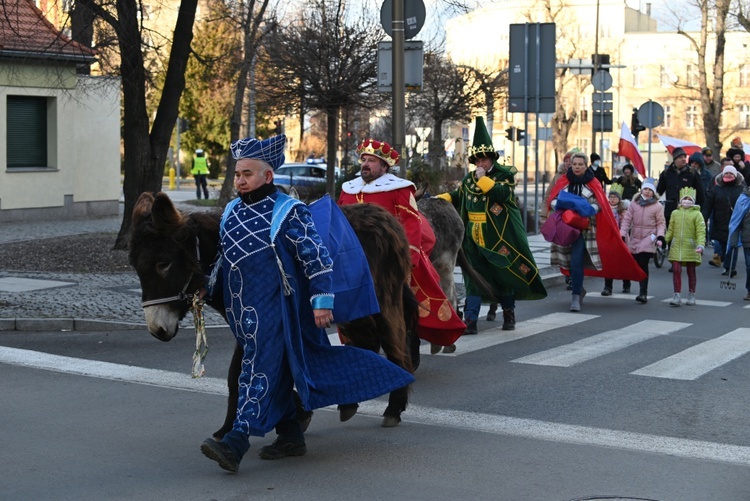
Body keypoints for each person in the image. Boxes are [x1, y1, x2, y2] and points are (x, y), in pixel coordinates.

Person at [200, 134, 414, 473]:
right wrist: (206, 287)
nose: (240, 180)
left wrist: (321, 302)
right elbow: (224, 258)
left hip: (280, 309)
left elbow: (317, 259)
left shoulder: (289, 211)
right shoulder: (230, 211)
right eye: (238, 173)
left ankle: (236, 442)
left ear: (267, 176)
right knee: (275, 369)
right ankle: (290, 435)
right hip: (244, 312)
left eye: (247, 174)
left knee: (257, 371)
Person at [338, 138, 466, 350]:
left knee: (405, 304)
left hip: (391, 259)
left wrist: (408, 258)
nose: (365, 164)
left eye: (371, 160)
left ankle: (408, 342)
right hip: (356, 261)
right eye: (364, 160)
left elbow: (412, 223)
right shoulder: (348, 189)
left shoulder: (399, 189)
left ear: (384, 166)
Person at [436, 117, 547, 332]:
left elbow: (502, 195)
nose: (480, 164)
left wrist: (483, 179)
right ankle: (471, 320)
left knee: (501, 275)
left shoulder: (504, 176)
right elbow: (458, 195)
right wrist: (440, 199)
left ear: (492, 159)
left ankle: (509, 314)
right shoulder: (469, 180)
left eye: (484, 160)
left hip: (498, 238)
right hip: (472, 238)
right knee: (473, 278)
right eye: (477, 160)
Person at [546, 152, 646, 312]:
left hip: (584, 229)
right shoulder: (563, 181)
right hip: (565, 227)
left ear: (586, 166)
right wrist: (558, 203)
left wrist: (587, 208)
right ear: (570, 165)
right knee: (569, 261)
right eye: (575, 164)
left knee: (577, 260)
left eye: (581, 164)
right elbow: (551, 198)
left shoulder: (593, 182)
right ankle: (579, 290)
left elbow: (600, 203)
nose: (577, 167)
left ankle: (575, 296)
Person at [619, 179, 667, 303]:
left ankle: (643, 292)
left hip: (649, 236)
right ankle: (628, 283)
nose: (647, 192)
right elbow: (627, 220)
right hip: (635, 235)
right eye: (645, 189)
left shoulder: (657, 206)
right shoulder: (634, 204)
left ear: (653, 192)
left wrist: (660, 236)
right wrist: (622, 234)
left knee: (643, 262)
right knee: (634, 262)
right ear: (641, 190)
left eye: (650, 190)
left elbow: (660, 223)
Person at [665, 187, 706, 306]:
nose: (687, 201)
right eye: (685, 199)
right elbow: (670, 230)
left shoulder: (697, 214)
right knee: (676, 270)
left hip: (691, 247)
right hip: (676, 246)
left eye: (689, 199)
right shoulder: (675, 213)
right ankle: (676, 295)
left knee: (691, 271)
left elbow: (701, 231)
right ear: (681, 201)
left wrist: (700, 245)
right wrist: (663, 240)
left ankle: (691, 294)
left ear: (693, 201)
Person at [702, 165, 743, 274]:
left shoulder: (741, 189)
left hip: (735, 223)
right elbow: (708, 205)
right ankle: (726, 261)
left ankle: (731, 268)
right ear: (722, 174)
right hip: (719, 222)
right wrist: (703, 218)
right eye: (726, 173)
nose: (728, 175)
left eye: (731, 173)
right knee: (724, 245)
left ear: (735, 175)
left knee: (733, 246)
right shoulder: (716, 189)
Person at [657, 147, 705, 229]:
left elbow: (700, 194)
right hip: (670, 212)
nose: (683, 159)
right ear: (674, 159)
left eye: (684, 157)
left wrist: (700, 211)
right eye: (680, 157)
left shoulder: (692, 173)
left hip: (688, 212)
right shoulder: (666, 173)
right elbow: (658, 192)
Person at [601, 183, 631, 296]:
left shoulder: (623, 210)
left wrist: (621, 235)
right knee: (608, 263)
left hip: (620, 239)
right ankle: (607, 286)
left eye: (615, 197)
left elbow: (625, 224)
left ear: (619, 199)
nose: (612, 199)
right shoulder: (605, 209)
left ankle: (626, 284)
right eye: (611, 197)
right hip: (608, 240)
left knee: (624, 263)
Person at [727, 184, 750, 301]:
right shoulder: (743, 200)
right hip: (748, 240)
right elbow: (736, 221)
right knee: (749, 266)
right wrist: (734, 239)